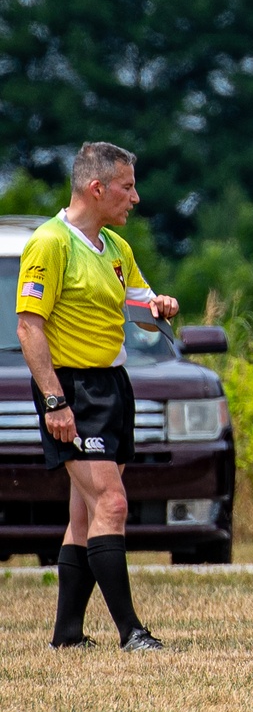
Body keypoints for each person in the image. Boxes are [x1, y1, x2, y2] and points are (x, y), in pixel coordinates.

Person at [16, 142, 179, 651]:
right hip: (74, 390)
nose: (135, 196)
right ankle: (132, 632)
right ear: (97, 188)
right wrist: (54, 402)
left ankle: (66, 635)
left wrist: (160, 306)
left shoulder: (115, 248)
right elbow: (28, 326)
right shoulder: (49, 243)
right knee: (111, 502)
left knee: (85, 515)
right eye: (127, 187)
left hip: (112, 386)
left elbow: (138, 305)